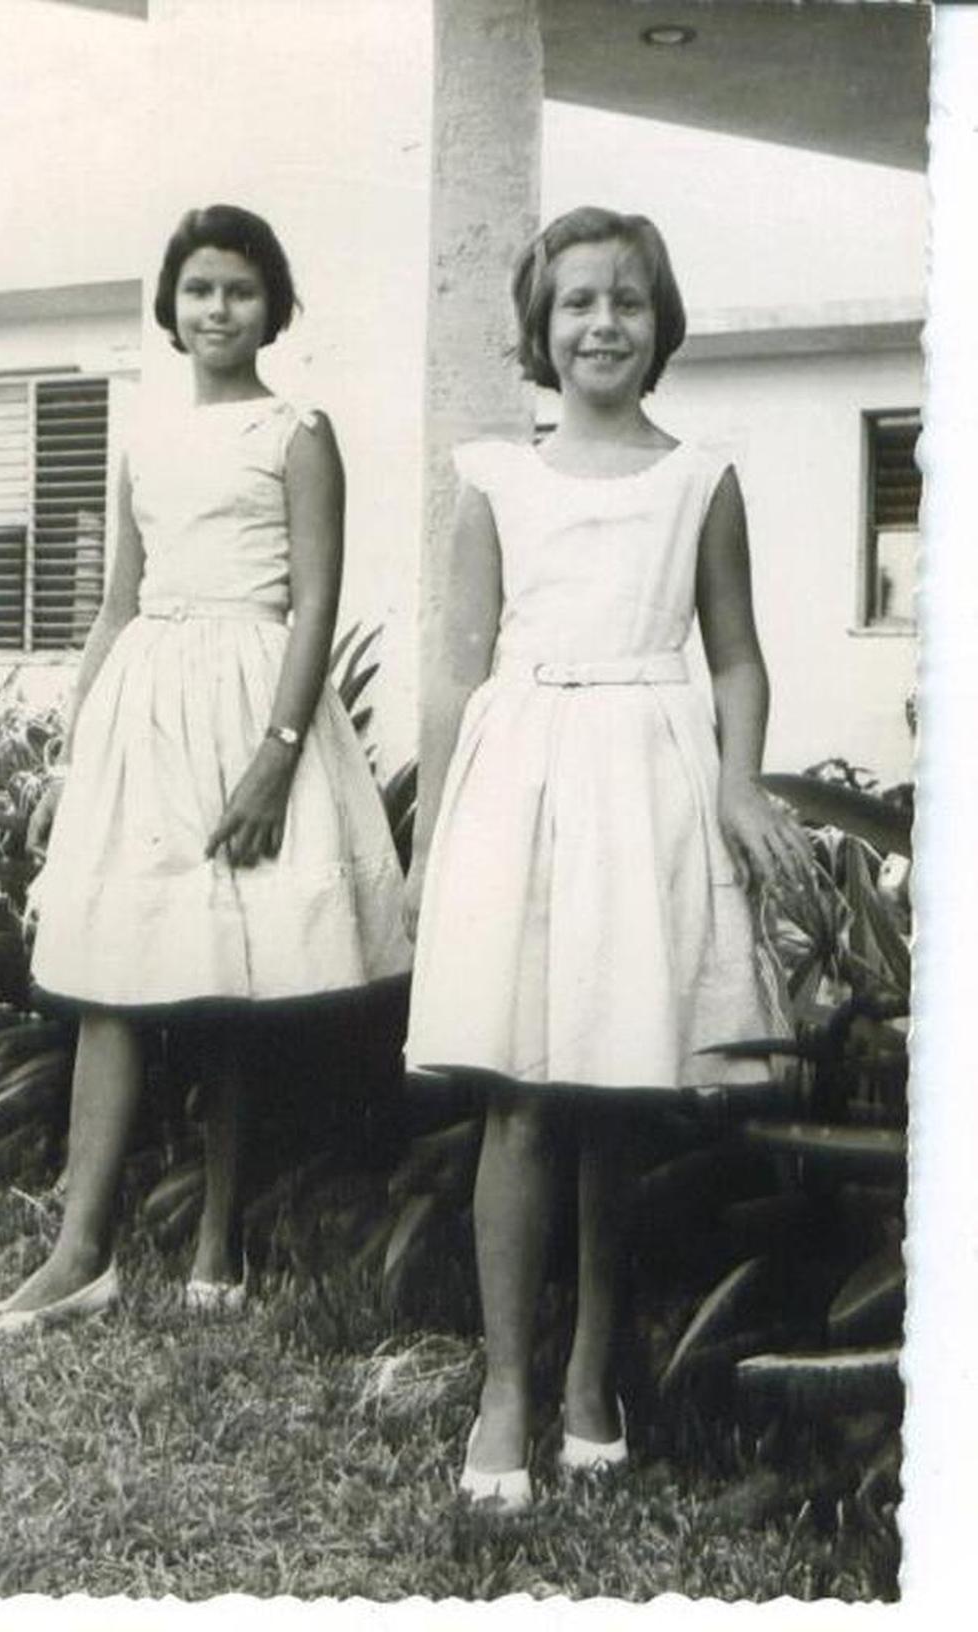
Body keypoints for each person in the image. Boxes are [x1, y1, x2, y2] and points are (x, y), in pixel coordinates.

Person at [403, 206, 810, 1509]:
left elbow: (736, 655)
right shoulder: (494, 476)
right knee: (519, 1093)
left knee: (613, 1087)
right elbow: (460, 667)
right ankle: (506, 1390)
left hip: (646, 780)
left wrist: (743, 785)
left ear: (662, 324)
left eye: (628, 302)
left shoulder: (701, 479)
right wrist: (431, 835)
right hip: (520, 778)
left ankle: (591, 1373)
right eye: (577, 302)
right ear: (541, 326)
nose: (603, 325)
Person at [0, 204, 410, 1336]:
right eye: (199, 289)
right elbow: (119, 602)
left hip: (250, 703)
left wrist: (277, 754)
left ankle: (219, 1237)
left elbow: (314, 604)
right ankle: (79, 1254)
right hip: (146, 711)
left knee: (228, 983)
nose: (218, 309)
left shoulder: (298, 431)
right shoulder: (143, 437)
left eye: (241, 291)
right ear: (170, 307)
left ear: (275, 307)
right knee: (111, 975)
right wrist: (74, 750)